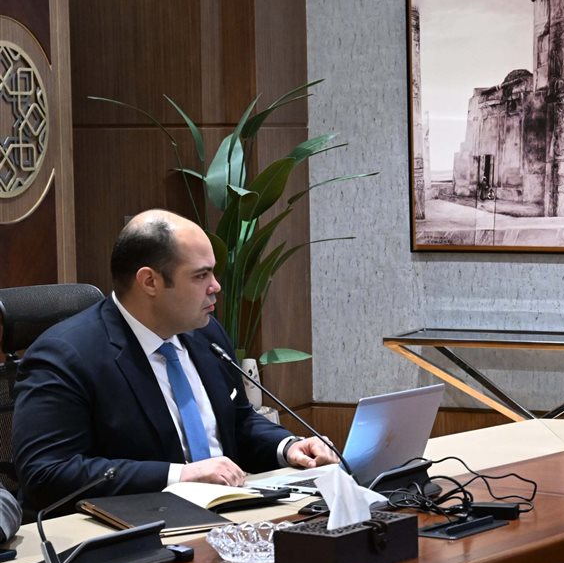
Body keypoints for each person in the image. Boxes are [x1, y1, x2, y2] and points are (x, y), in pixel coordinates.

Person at [13, 210, 338, 512]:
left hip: (232, 513)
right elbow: (46, 473)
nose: (216, 286)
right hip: (134, 527)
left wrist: (287, 447)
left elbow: (238, 422)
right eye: (201, 275)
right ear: (150, 282)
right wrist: (179, 476)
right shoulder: (66, 355)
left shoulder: (206, 333)